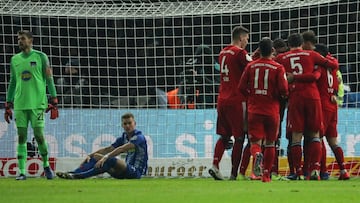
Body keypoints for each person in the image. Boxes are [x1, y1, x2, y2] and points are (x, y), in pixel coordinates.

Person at [275, 33, 338, 180]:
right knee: (315, 134)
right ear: (302, 43)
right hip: (312, 97)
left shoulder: (281, 58)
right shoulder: (312, 55)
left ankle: (297, 172)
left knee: (296, 136)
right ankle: (315, 169)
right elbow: (333, 65)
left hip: (295, 97)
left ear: (289, 45)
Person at [4, 30, 59, 180]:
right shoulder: (14, 59)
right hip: (20, 104)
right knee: (21, 137)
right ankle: (22, 172)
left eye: (22, 39)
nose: (19, 41)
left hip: (37, 104)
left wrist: (54, 99)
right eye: (18, 39)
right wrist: (8, 103)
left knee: (39, 136)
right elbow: (13, 82)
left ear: (30, 40)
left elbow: (49, 79)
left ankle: (46, 165)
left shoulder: (41, 57)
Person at [238, 37, 288, 182]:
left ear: (259, 50)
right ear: (272, 50)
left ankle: (257, 155)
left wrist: (252, 94)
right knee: (271, 143)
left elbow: (241, 87)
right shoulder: (278, 67)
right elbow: (284, 90)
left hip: (254, 109)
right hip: (272, 110)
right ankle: (266, 175)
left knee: (255, 144)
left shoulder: (251, 66)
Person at [209, 26, 251, 180]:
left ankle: (215, 165)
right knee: (239, 137)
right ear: (241, 38)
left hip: (222, 99)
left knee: (224, 136)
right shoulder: (240, 53)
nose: (247, 41)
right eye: (246, 38)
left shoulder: (223, 52)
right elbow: (252, 67)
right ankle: (234, 174)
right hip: (236, 100)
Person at [56, 113, 148, 179]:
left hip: (136, 172)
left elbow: (122, 149)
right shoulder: (123, 137)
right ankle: (72, 174)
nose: (128, 126)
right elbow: (108, 149)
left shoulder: (139, 137)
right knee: (97, 159)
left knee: (108, 160)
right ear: (122, 125)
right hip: (122, 173)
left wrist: (105, 157)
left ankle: (78, 176)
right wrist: (90, 155)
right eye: (125, 123)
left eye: (130, 123)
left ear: (134, 124)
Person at [314, 43, 350, 180]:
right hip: (333, 106)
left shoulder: (319, 67)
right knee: (333, 141)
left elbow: (315, 80)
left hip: (322, 106)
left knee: (317, 138)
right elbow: (337, 85)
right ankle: (343, 170)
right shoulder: (334, 68)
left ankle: (320, 171)